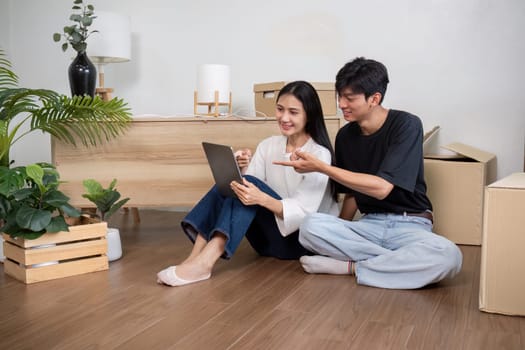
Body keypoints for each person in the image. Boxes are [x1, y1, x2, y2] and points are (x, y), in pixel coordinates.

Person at [274, 58, 463, 289]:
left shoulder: (407, 125)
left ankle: (351, 267)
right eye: (339, 96)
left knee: (449, 255)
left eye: (350, 98)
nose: (341, 104)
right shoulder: (345, 136)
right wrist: (339, 229)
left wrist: (322, 167)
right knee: (310, 226)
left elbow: (382, 188)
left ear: (374, 98)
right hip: (367, 226)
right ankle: (395, 263)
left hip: (410, 224)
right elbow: (352, 194)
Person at [157, 80, 340, 287]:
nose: (284, 117)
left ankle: (206, 262)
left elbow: (302, 214)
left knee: (245, 186)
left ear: (310, 115)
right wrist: (240, 169)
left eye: (293, 112)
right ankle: (193, 259)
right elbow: (247, 190)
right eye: (280, 109)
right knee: (231, 185)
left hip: (300, 244)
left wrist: (260, 197)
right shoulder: (268, 145)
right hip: (266, 242)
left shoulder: (319, 155)